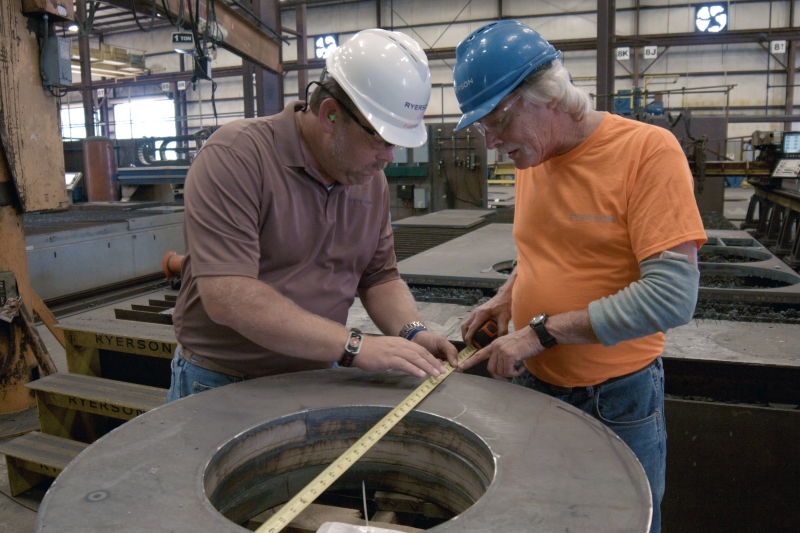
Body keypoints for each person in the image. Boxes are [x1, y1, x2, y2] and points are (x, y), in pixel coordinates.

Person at [454, 21, 707, 533]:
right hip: (538, 387)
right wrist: (509, 296)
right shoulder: (534, 158)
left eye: (497, 123)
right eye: (482, 128)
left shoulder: (647, 153)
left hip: (613, 400)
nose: (492, 143)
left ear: (545, 97)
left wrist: (539, 332)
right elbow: (546, 250)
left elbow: (673, 295)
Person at [168, 28, 458, 402]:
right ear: (330, 115)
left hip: (320, 372)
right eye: (381, 140)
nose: (389, 158)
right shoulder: (237, 156)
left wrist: (413, 332)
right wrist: (355, 345)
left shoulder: (369, 179)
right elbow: (228, 294)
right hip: (225, 382)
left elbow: (379, 277)